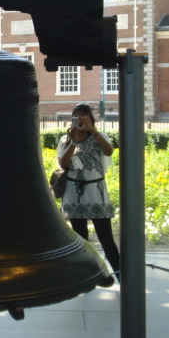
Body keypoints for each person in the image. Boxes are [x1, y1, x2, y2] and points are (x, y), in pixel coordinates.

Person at [57, 103, 120, 281]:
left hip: (95, 192)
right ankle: (90, 276)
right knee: (81, 238)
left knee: (106, 238)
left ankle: (122, 275)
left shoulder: (100, 137)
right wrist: (73, 142)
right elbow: (63, 164)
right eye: (77, 118)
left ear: (91, 119)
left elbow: (108, 151)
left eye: (84, 119)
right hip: (73, 192)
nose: (80, 122)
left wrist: (93, 131)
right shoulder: (66, 139)